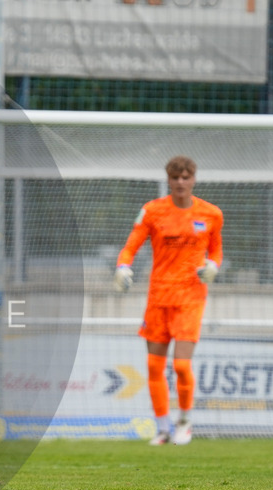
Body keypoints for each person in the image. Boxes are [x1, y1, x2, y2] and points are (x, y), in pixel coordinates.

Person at [114, 155, 223, 446]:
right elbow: (130, 247)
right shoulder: (152, 211)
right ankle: (163, 428)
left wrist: (214, 266)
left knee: (182, 366)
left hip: (190, 298)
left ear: (194, 179)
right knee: (154, 366)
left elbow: (216, 250)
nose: (180, 182)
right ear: (168, 180)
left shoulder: (211, 214)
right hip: (159, 297)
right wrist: (122, 267)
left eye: (186, 177)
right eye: (175, 177)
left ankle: (184, 421)